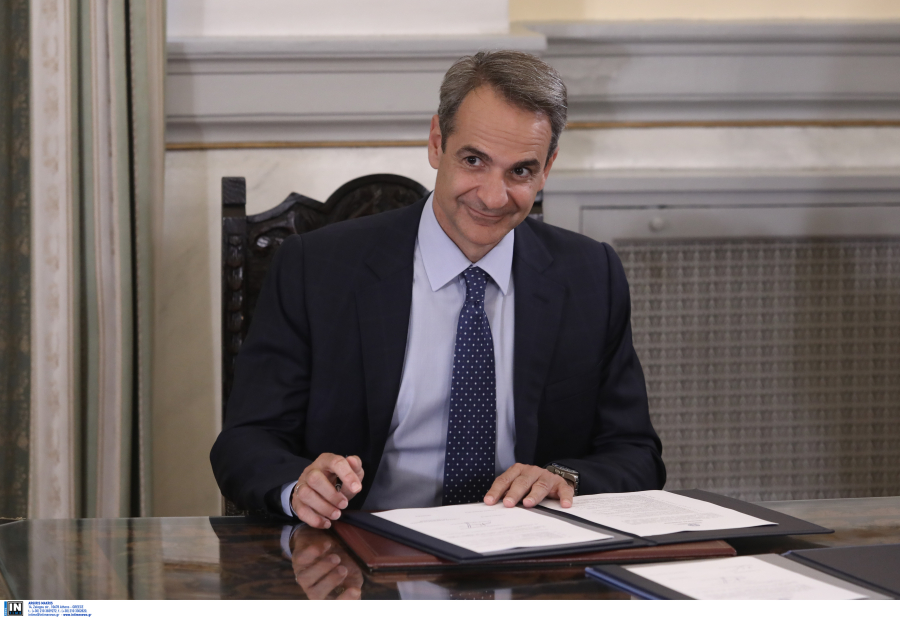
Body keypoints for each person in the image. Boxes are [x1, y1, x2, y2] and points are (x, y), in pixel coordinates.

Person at [211, 50, 665, 529]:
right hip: (360, 548)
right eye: (474, 160)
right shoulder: (317, 269)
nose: (493, 197)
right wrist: (300, 487)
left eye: (520, 171)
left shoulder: (590, 274)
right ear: (436, 142)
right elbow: (245, 442)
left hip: (524, 549)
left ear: (547, 168)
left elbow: (636, 454)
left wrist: (563, 477)